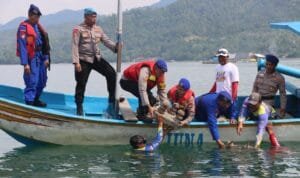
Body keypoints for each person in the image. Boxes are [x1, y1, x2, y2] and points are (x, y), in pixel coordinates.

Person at [72, 8, 118, 116]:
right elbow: (74, 46)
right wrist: (76, 62)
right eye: (92, 16)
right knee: (81, 83)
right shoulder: (78, 29)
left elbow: (106, 41)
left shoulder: (98, 29)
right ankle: (79, 106)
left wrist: (116, 48)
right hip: (83, 59)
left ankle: (111, 101)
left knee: (112, 74)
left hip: (96, 58)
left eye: (95, 16)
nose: (94, 18)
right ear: (86, 17)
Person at [16, 4, 51, 107]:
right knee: (32, 80)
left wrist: (46, 58)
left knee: (42, 80)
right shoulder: (23, 28)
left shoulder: (38, 27)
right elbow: (22, 46)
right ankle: (29, 102)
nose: (37, 19)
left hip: (41, 57)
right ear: (30, 15)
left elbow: (45, 43)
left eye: (38, 17)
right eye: (35, 17)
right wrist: (25, 64)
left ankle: (36, 99)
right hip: (32, 58)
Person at [209, 48, 239, 123]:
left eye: (223, 57)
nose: (221, 58)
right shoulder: (217, 68)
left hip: (228, 98)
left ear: (227, 57)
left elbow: (235, 84)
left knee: (232, 117)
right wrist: (209, 94)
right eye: (219, 57)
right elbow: (217, 83)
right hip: (219, 98)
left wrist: (233, 98)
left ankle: (232, 119)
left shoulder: (233, 67)